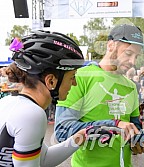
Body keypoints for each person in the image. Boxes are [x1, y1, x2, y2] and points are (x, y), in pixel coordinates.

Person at [54, 24, 144, 167]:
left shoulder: (131, 87)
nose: (132, 62)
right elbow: (62, 130)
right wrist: (112, 126)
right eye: (128, 53)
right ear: (111, 45)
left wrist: (137, 141)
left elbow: (134, 128)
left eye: (136, 56)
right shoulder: (80, 77)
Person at [0, 30, 88, 166]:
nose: (75, 83)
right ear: (51, 81)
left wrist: (82, 137)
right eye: (72, 77)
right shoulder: (32, 114)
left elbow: (43, 159)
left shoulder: (10, 102)